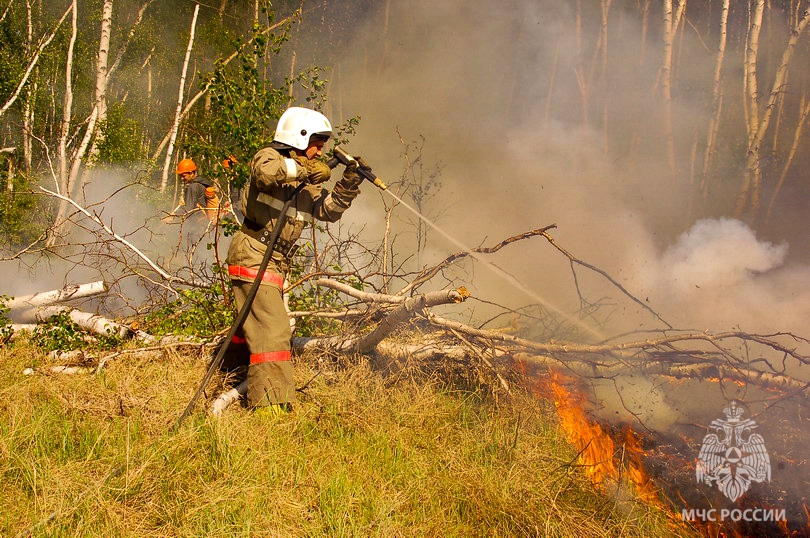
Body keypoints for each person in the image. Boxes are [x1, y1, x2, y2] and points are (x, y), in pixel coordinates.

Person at [224, 106, 364, 416]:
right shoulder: (269, 157)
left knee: (258, 325)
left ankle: (230, 373)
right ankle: (269, 407)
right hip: (253, 252)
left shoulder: (308, 181)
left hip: (276, 260)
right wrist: (306, 169)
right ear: (299, 136)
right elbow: (265, 174)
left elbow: (327, 211)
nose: (320, 151)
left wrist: (349, 183)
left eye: (323, 144)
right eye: (316, 141)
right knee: (273, 332)